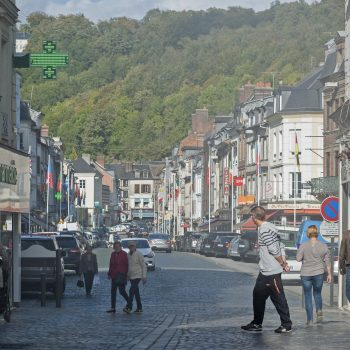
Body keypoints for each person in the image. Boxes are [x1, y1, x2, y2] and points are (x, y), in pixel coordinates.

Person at [241, 206, 293, 333]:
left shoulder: (265, 230)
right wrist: (284, 260)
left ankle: (286, 324)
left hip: (271, 271)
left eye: (251, 216)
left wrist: (282, 263)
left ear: (254, 217)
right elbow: (280, 245)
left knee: (278, 298)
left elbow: (274, 249)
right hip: (264, 271)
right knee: (257, 296)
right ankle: (257, 323)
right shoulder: (269, 228)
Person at [296, 225, 331, 325]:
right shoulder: (323, 245)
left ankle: (310, 320)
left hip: (306, 274)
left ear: (308, 233)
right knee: (317, 293)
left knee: (307, 296)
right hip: (319, 272)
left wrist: (301, 254)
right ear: (317, 233)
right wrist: (329, 274)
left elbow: (298, 259)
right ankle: (319, 310)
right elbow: (327, 261)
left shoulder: (303, 245)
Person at [123, 241, 147, 314]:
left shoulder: (139, 254)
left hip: (138, 275)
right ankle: (139, 308)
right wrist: (127, 275)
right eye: (130, 246)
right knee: (136, 292)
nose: (131, 247)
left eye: (133, 246)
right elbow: (128, 266)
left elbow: (143, 266)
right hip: (131, 276)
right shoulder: (128, 255)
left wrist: (144, 276)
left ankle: (129, 307)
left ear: (135, 247)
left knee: (131, 291)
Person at [107, 241, 129, 313]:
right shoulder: (113, 254)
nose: (117, 248)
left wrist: (126, 274)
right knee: (113, 292)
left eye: (118, 246)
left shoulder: (124, 254)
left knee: (122, 291)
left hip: (121, 275)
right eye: (115, 247)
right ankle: (113, 307)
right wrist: (109, 274)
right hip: (113, 275)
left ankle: (129, 302)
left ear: (120, 247)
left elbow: (127, 265)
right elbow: (111, 264)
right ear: (114, 247)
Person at [339, 230, 350, 304]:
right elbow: (342, 254)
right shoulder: (347, 235)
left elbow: (342, 254)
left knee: (348, 289)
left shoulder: (347, 235)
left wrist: (342, 268)